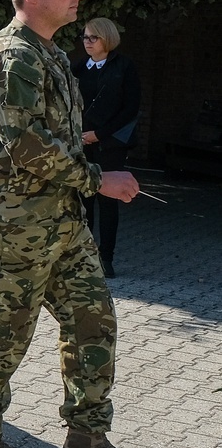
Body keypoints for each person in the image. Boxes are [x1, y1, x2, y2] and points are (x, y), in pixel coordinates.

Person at [0, 0, 156, 448]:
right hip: (14, 221)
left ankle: (86, 441)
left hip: (60, 219)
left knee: (94, 320)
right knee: (2, 334)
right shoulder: (12, 55)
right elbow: (25, 144)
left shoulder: (48, 54)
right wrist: (99, 179)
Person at [72, 17, 140, 279]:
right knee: (83, 199)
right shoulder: (79, 68)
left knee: (108, 201)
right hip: (80, 141)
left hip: (109, 144)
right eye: (85, 37)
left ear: (107, 38)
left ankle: (106, 258)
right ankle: (83, 256)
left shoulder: (124, 67)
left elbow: (130, 108)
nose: (87, 42)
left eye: (93, 38)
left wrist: (99, 135)